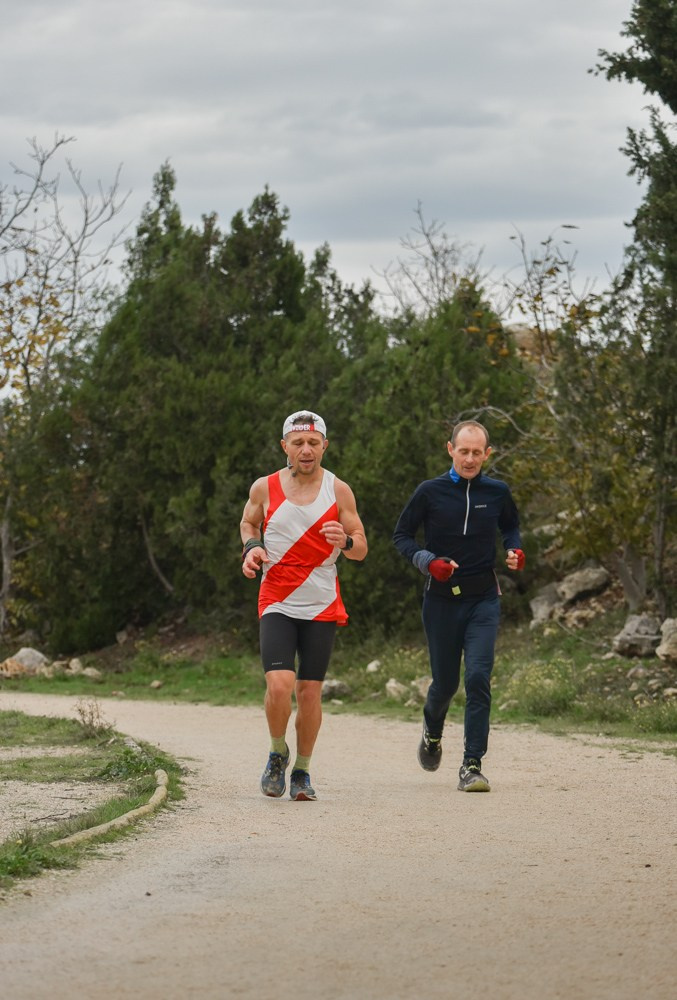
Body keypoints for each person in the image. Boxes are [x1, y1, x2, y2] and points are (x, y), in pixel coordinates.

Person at [240, 409, 367, 801]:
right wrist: (252, 548)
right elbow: (249, 523)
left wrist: (344, 542)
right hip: (277, 595)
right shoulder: (264, 487)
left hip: (320, 600)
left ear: (325, 445)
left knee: (310, 692)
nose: (307, 449)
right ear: (285, 447)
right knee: (279, 685)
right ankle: (278, 752)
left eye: (314, 442)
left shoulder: (339, 490)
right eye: (298, 443)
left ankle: (303, 772)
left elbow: (360, 547)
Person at [393, 420, 525, 792]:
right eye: (463, 451)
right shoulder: (429, 491)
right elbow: (401, 536)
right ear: (449, 449)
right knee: (446, 684)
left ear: (487, 454)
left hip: (483, 598)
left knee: (478, 677)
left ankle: (471, 764)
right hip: (440, 600)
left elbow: (510, 527)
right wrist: (426, 559)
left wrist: (514, 549)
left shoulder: (497, 492)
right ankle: (432, 733)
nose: (469, 458)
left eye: (476, 452)